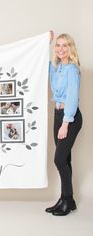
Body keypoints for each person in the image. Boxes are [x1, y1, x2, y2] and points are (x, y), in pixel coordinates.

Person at [45, 32, 82, 216]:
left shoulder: (72, 69)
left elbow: (73, 99)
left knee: (59, 159)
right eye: (57, 45)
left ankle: (67, 200)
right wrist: (45, 42)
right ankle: (67, 200)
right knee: (65, 159)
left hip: (70, 117)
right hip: (58, 114)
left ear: (70, 48)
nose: (60, 49)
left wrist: (65, 123)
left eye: (64, 45)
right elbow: (39, 63)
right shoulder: (57, 67)